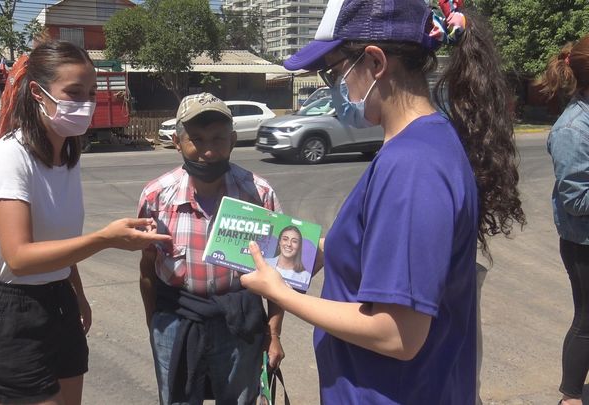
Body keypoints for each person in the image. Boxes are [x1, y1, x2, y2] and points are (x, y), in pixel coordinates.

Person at [240, 0, 526, 403]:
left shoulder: (413, 166)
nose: (333, 87)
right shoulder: (418, 145)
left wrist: (282, 293)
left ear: (375, 63)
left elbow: (397, 333)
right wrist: (312, 250)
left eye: (334, 72)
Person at [0, 40, 171, 405]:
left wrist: (77, 294)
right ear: (38, 93)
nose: (86, 103)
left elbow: (59, 241)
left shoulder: (68, 155)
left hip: (57, 299)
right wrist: (105, 238)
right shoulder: (11, 156)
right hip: (10, 308)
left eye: (91, 93)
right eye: (74, 92)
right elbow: (20, 258)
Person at [137, 93, 285, 405]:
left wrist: (274, 335)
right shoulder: (156, 198)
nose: (207, 150)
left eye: (218, 138)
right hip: (176, 323)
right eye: (196, 139)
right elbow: (147, 269)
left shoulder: (258, 194)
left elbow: (277, 276)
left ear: (232, 140)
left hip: (240, 326)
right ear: (178, 142)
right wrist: (155, 326)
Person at [541, 34, 589, 405]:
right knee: (588, 321)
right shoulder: (572, 129)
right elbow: (575, 198)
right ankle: (570, 397)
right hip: (582, 243)